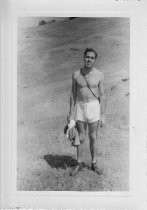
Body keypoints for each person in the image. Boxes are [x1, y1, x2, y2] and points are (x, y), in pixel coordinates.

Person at [68, 48, 106, 176]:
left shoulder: (99, 74)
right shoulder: (76, 74)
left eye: (92, 57)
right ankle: (78, 163)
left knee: (93, 137)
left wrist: (103, 115)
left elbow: (103, 96)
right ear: (84, 57)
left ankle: (94, 163)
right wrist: (70, 113)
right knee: (80, 137)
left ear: (95, 59)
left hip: (94, 107)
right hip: (81, 107)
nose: (89, 59)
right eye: (87, 57)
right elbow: (73, 94)